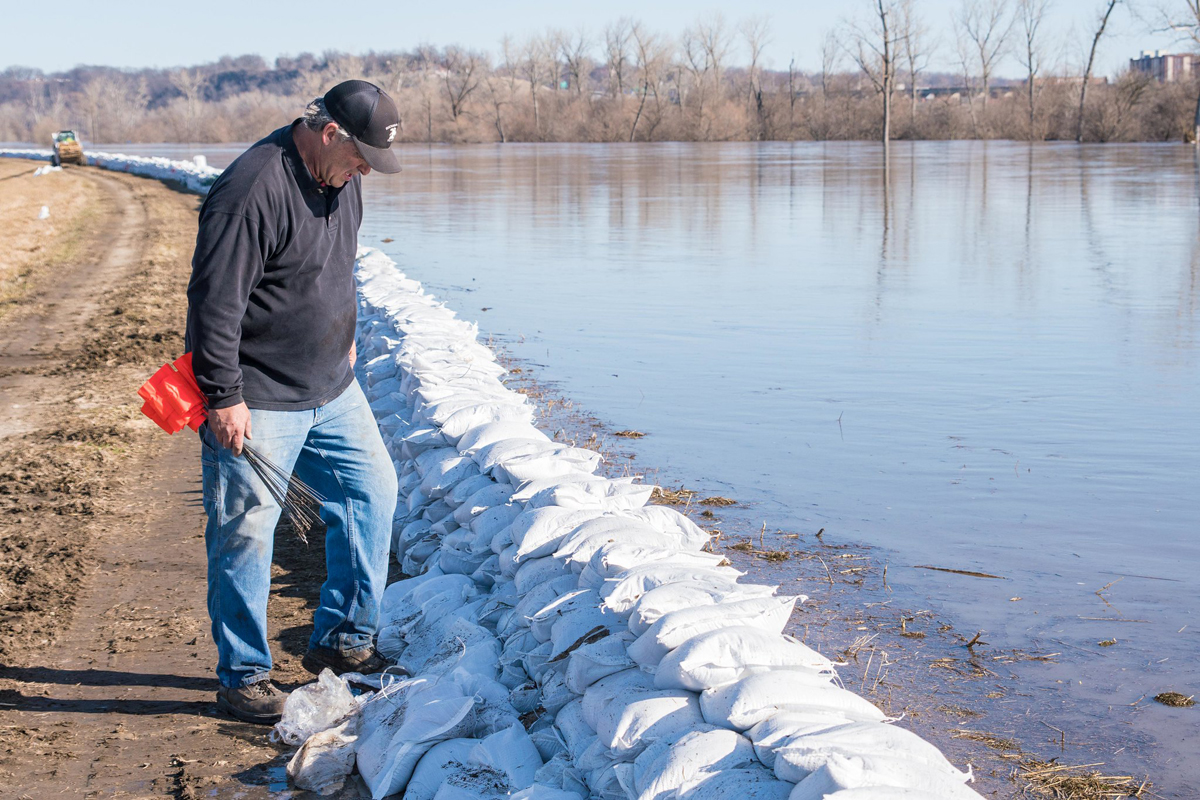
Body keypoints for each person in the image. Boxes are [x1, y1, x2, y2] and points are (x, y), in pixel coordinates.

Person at [186, 80, 403, 724]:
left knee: (373, 492)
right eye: (361, 155)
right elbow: (213, 305)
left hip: (334, 388)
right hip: (260, 396)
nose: (367, 170)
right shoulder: (250, 190)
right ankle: (245, 675)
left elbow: (338, 266)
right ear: (329, 130)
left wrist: (350, 336)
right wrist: (223, 396)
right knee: (246, 531)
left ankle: (344, 640)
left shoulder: (342, 177)